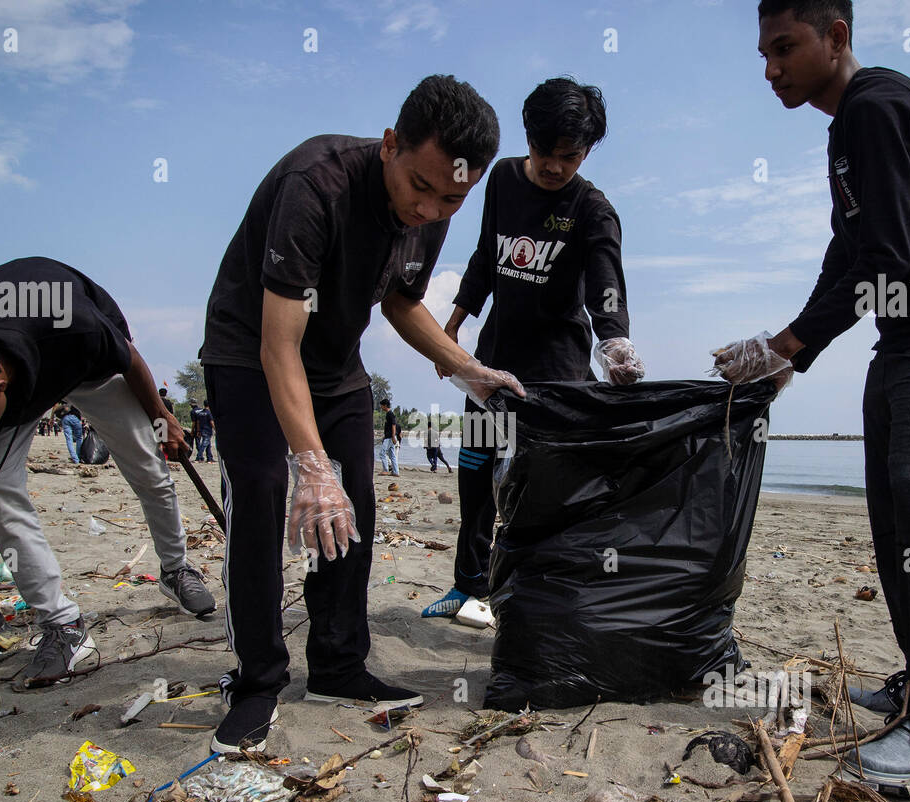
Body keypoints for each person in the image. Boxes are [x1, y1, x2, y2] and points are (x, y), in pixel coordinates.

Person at [713, 0, 910, 783]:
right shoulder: (848, 130)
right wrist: (787, 360)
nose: (770, 68)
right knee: (893, 508)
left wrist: (787, 344)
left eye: (785, 48)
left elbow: (885, 255)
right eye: (763, 53)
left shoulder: (877, 107)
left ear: (835, 37)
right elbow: (849, 250)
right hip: (909, 334)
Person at [198, 74, 522, 754]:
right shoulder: (314, 186)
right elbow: (277, 343)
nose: (431, 208)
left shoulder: (433, 214)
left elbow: (403, 303)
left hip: (337, 361)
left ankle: (339, 665)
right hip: (251, 351)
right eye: (420, 187)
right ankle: (256, 677)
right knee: (264, 489)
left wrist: (467, 369)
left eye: (453, 198)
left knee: (356, 500)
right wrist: (310, 466)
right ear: (388, 146)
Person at [0, 257, 217, 689]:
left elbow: (130, 359)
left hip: (89, 370)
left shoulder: (77, 329)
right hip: (22, 365)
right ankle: (63, 624)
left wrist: (162, 418)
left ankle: (175, 570)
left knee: (150, 469)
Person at [422, 77, 645, 621]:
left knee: (541, 487)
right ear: (528, 139)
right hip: (490, 363)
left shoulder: (593, 209)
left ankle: (537, 591)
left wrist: (614, 340)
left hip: (558, 374)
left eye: (568, 157)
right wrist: (451, 328)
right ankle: (467, 586)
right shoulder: (501, 179)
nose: (552, 167)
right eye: (543, 152)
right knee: (474, 473)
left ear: (587, 151)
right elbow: (483, 257)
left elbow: (604, 285)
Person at [378, 398, 399, 476]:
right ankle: (396, 472)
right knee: (392, 455)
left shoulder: (390, 414)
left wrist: (393, 436)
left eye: (382, 406)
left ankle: (386, 470)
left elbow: (393, 425)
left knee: (382, 453)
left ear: (385, 405)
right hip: (389, 437)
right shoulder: (389, 414)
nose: (381, 407)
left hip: (390, 437)